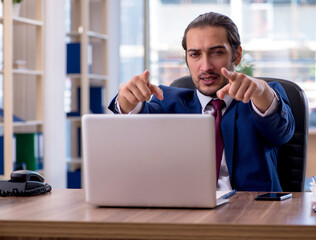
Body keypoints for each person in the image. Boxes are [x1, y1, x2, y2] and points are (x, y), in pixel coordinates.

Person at [109, 12, 295, 192]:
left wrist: (262, 91)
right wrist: (126, 102)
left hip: (253, 213)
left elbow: (281, 132)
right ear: (187, 59)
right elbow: (137, 128)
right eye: (195, 55)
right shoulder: (169, 103)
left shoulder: (257, 100)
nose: (205, 66)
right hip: (187, 212)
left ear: (236, 55)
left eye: (216, 52)